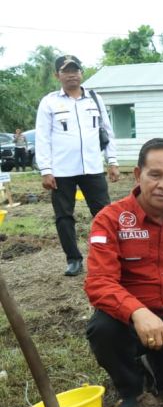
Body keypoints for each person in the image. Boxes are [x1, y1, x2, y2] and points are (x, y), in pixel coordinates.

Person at [84, 138, 163, 407]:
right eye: (155, 175)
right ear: (138, 175)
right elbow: (98, 282)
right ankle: (132, 389)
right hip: (127, 318)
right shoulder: (110, 218)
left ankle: (160, 370)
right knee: (102, 330)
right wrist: (137, 312)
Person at [35, 54, 120, 276]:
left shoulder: (95, 99)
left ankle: (110, 254)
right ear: (57, 75)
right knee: (64, 217)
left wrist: (112, 161)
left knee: (104, 213)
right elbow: (42, 138)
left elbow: (107, 132)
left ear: (82, 73)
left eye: (75, 70)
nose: (72, 74)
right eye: (66, 71)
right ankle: (73, 259)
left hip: (92, 167)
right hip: (61, 170)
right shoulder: (50, 102)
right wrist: (46, 170)